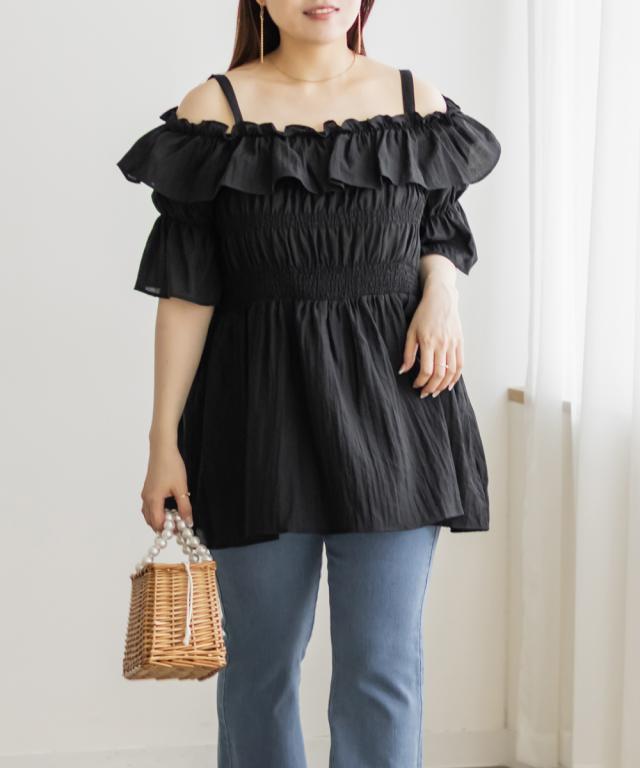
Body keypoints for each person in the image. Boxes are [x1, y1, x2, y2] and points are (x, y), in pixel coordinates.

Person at [116, 1, 501, 765]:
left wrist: (442, 293)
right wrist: (163, 441)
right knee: (258, 673)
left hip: (396, 409)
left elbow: (440, 228)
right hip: (256, 415)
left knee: (382, 670)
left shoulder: (412, 100)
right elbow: (187, 293)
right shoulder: (215, 110)